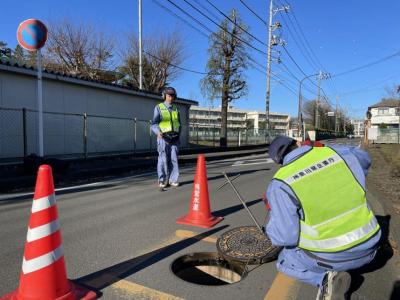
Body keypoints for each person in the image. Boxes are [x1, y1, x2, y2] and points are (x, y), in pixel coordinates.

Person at [265, 136, 381, 300]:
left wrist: (273, 219)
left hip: (330, 258)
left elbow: (285, 237)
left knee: (284, 261)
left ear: (279, 160)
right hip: (371, 249)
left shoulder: (280, 183)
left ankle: (324, 280)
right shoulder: (338, 154)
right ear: (298, 143)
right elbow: (365, 159)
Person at [151, 86, 181, 190]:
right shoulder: (159, 107)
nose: (170, 97)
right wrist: (158, 132)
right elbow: (154, 124)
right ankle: (162, 180)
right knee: (163, 159)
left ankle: (173, 180)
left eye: (172, 95)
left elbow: (179, 124)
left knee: (174, 159)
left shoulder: (176, 109)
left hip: (174, 139)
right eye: (168, 95)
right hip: (163, 138)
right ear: (164, 95)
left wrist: (179, 135)